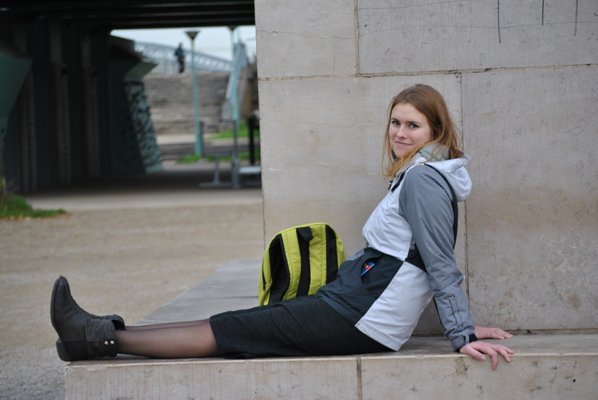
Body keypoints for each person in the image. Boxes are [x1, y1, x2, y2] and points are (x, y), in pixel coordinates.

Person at [50, 84, 514, 369]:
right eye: (395, 122)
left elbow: (438, 261)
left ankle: (96, 338)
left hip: (363, 317)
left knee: (232, 330)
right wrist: (467, 326)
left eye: (413, 125)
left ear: (435, 131)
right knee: (236, 323)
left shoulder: (424, 181)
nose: (399, 133)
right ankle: (95, 335)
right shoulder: (415, 175)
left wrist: (463, 335)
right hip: (355, 301)